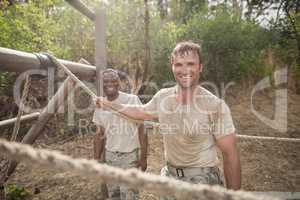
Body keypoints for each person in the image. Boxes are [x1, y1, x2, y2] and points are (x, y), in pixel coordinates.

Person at [96, 41, 241, 196]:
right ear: (172, 66)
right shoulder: (163, 97)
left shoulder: (215, 105)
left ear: (200, 67)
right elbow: (140, 112)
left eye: (190, 64)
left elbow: (230, 155)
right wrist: (109, 104)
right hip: (169, 179)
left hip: (202, 182)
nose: (185, 70)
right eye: (178, 64)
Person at [93, 69, 148, 200]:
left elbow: (142, 130)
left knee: (129, 196)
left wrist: (144, 157)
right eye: (106, 81)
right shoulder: (100, 105)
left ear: (119, 83)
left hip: (130, 157)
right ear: (102, 84)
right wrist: (96, 159)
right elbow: (99, 134)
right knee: (114, 195)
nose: (109, 84)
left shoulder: (132, 100)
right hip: (110, 157)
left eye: (113, 80)